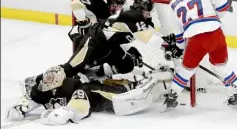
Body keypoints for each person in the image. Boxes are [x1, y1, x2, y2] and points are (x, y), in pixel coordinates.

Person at [20, 0, 155, 100]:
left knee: (127, 63)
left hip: (105, 47)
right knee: (71, 69)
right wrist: (83, 23)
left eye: (121, 3)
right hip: (89, 42)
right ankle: (36, 80)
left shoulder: (120, 17)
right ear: (110, 3)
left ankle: (94, 73)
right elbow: (75, 5)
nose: (119, 6)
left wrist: (130, 51)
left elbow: (116, 38)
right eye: (117, 3)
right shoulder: (100, 6)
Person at [6, 64, 173, 125]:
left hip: (107, 100)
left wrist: (66, 112)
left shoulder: (72, 86)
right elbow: (34, 98)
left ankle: (162, 80)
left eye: (51, 78)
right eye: (47, 78)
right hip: (98, 94)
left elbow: (82, 106)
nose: (47, 81)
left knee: (135, 96)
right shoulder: (44, 88)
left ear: (59, 80)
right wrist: (23, 108)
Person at [162, 0, 237, 109]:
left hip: (196, 40)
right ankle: (235, 90)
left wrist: (180, 48)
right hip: (216, 34)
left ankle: (172, 97)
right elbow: (224, 6)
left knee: (186, 71)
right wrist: (214, 18)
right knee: (219, 66)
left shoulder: (173, 4)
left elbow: (179, 33)